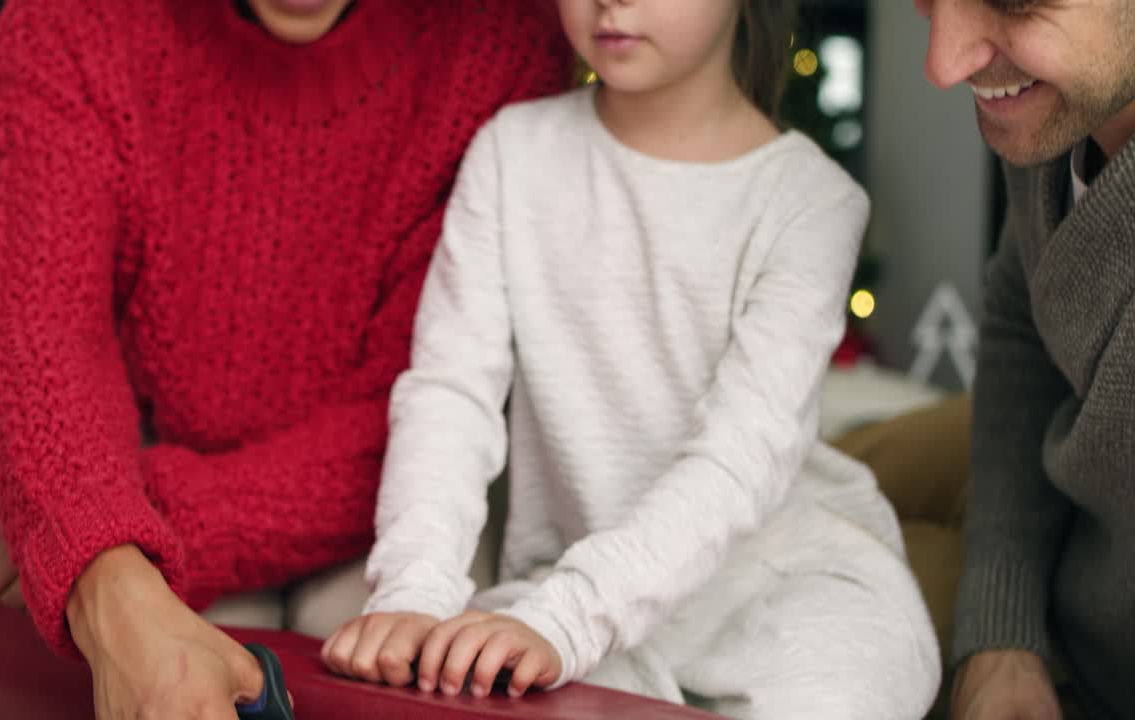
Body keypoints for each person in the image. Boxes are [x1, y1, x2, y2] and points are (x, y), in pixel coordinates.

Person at [0, 0, 572, 718]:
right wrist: (96, 563)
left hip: (399, 502)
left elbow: (432, 402)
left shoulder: (504, 33)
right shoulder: (76, 18)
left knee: (406, 670)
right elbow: (43, 323)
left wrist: (115, 520)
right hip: (137, 462)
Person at [321, 0, 942, 717]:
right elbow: (449, 393)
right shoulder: (511, 154)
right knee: (473, 684)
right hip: (565, 587)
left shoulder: (811, 202)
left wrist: (567, 618)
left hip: (784, 588)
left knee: (838, 689)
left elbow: (738, 460)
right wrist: (414, 594)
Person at [910, 1, 1135, 718]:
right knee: (818, 483)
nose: (942, 65)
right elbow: (1021, 313)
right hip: (1057, 524)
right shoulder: (1065, 110)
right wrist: (999, 629)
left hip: (1093, 660)